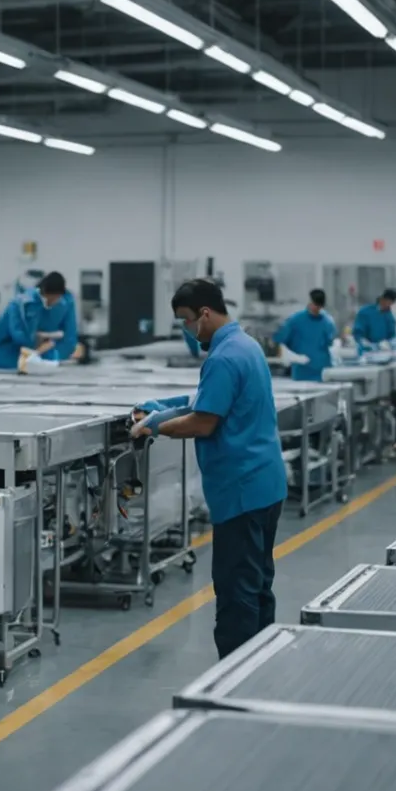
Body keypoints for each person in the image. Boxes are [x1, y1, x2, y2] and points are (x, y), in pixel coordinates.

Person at [131, 279, 288, 659]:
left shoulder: (223, 357)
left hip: (240, 491)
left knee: (236, 592)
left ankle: (232, 680)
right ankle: (258, 667)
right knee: (258, 584)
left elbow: (203, 422)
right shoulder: (245, 346)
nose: (187, 330)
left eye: (187, 321)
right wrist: (163, 407)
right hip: (266, 485)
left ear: (204, 314)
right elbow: (207, 401)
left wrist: (151, 427)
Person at [0, 271, 85, 372]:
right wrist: (42, 343)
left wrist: (53, 354)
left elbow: (69, 339)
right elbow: (21, 337)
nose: (52, 302)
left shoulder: (66, 303)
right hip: (2, 357)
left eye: (56, 299)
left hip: (35, 359)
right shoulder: (21, 305)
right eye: (50, 299)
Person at [273, 289, 338, 380]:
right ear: (310, 302)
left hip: (323, 372)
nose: (316, 309)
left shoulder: (327, 322)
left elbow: (331, 344)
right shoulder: (295, 321)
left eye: (319, 307)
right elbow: (279, 340)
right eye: (314, 305)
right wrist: (294, 357)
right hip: (302, 372)